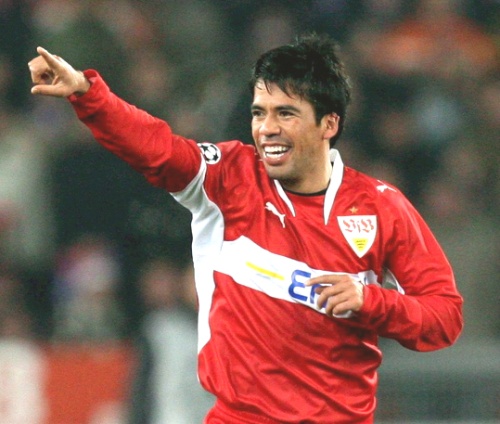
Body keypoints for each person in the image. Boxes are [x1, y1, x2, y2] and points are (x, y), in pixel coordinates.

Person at [28, 34, 463, 423]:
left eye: (286, 113)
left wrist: (371, 301)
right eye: (260, 113)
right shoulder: (228, 178)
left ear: (329, 123)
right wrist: (87, 93)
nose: (267, 129)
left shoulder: (381, 206)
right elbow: (156, 148)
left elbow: (445, 318)